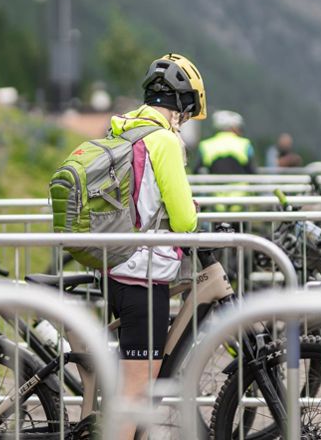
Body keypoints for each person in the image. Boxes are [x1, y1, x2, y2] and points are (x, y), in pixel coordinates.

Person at [105, 53, 202, 439]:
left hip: (115, 267)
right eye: (188, 110)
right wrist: (194, 212)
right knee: (136, 391)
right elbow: (182, 221)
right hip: (143, 276)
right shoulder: (163, 140)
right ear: (180, 104)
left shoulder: (122, 130)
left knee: (130, 384)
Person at [194, 110, 255, 174]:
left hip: (213, 183)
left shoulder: (205, 145)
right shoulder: (245, 144)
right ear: (233, 127)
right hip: (240, 184)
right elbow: (252, 171)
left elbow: (196, 171)